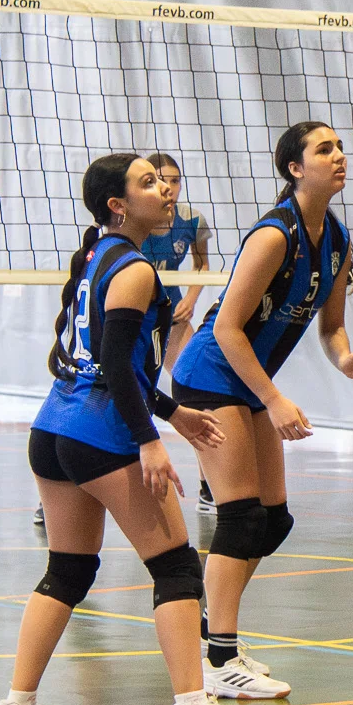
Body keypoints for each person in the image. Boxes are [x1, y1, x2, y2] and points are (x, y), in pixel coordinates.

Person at [0, 153, 267, 705]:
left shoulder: (98, 254)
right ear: (118, 205)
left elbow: (109, 363)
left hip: (54, 429)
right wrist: (150, 441)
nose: (165, 189)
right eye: (149, 183)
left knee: (68, 569)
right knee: (175, 567)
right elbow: (117, 365)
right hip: (103, 433)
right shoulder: (137, 269)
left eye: (164, 180)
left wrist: (174, 413)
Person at [169, 121, 353, 700]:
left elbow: (332, 327)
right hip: (209, 376)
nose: (338, 156)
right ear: (294, 168)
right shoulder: (273, 236)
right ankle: (219, 658)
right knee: (240, 516)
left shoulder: (336, 241)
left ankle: (214, 628)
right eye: (324, 149)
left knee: (273, 520)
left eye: (340, 148)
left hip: (245, 383)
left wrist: (347, 360)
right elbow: (228, 328)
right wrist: (273, 398)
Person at [140, 152, 218, 515]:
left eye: (174, 181)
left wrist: (190, 298)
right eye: (160, 180)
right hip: (130, 318)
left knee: (202, 389)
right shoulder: (131, 218)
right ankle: (60, 487)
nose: (168, 187)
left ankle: (209, 487)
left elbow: (201, 263)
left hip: (169, 315)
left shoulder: (191, 220)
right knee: (99, 394)